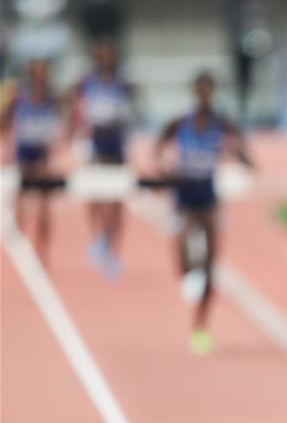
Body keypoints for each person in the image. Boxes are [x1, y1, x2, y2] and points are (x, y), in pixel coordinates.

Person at [155, 71, 254, 355]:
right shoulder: (181, 122)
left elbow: (240, 147)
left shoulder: (221, 123)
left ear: (213, 93)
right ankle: (189, 272)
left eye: (208, 91)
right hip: (184, 195)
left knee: (211, 264)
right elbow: (159, 145)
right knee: (184, 256)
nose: (204, 96)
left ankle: (200, 325)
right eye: (200, 91)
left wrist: (245, 160)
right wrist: (162, 166)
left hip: (208, 196)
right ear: (194, 93)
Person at [70, 38, 136, 277]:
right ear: (96, 57)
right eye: (101, 55)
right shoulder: (87, 81)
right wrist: (74, 127)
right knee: (94, 194)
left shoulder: (123, 82)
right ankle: (98, 236)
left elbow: (136, 109)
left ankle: (114, 248)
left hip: (116, 145)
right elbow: (72, 103)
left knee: (117, 199)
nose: (105, 59)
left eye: (109, 55)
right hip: (95, 143)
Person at [1, 57, 61, 257]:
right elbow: (5, 119)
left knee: (44, 203)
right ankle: (20, 244)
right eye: (38, 72)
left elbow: (62, 119)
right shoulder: (20, 95)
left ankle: (42, 248)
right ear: (31, 73)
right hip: (24, 152)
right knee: (21, 199)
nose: (41, 76)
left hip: (42, 153)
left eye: (44, 72)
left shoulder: (52, 97)